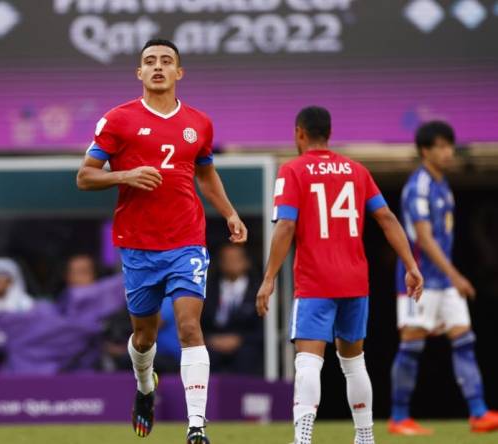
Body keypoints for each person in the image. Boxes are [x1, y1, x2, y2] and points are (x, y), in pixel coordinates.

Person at [77, 38, 247, 444]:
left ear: (178, 72)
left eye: (166, 61)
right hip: (137, 244)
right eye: (149, 61)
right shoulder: (118, 120)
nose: (157, 67)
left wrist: (229, 212)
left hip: (187, 239)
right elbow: (84, 176)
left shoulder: (199, 123)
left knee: (190, 327)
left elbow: (205, 173)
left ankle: (196, 426)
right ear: (139, 72)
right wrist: (124, 175)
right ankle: (144, 387)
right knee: (144, 336)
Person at [255, 106, 423, 444]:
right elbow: (387, 217)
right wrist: (411, 264)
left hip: (316, 281)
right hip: (354, 281)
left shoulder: (293, 170)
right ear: (328, 133)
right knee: (354, 362)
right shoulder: (356, 170)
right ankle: (365, 436)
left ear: (299, 133)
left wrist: (269, 277)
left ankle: (302, 438)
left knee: (307, 362)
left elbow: (286, 224)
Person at [388, 121, 498, 435]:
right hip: (418, 280)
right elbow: (423, 238)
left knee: (464, 340)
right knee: (411, 347)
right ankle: (398, 417)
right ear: (426, 150)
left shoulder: (443, 186)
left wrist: (450, 278)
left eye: (450, 145)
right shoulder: (418, 186)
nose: (448, 152)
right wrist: (457, 275)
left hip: (445, 283)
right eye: (441, 146)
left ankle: (478, 412)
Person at [201, 244, 262, 375]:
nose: (231, 263)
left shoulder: (258, 290)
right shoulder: (208, 288)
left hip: (245, 343)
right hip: (214, 341)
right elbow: (201, 320)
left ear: (246, 262)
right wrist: (211, 339)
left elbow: (262, 327)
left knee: (248, 357)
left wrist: (240, 339)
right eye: (227, 260)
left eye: (236, 259)